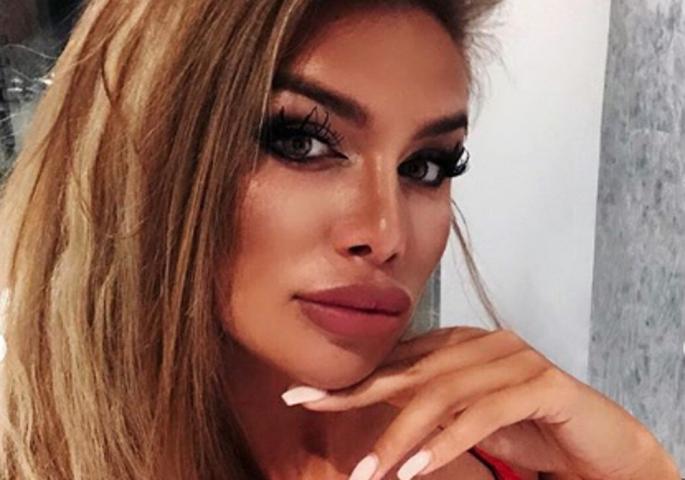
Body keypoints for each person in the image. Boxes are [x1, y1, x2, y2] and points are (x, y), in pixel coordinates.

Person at [0, 1, 680, 479]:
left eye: (426, 166)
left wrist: (637, 466)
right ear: (146, 157)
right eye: (300, 142)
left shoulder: (509, 453)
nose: (384, 235)